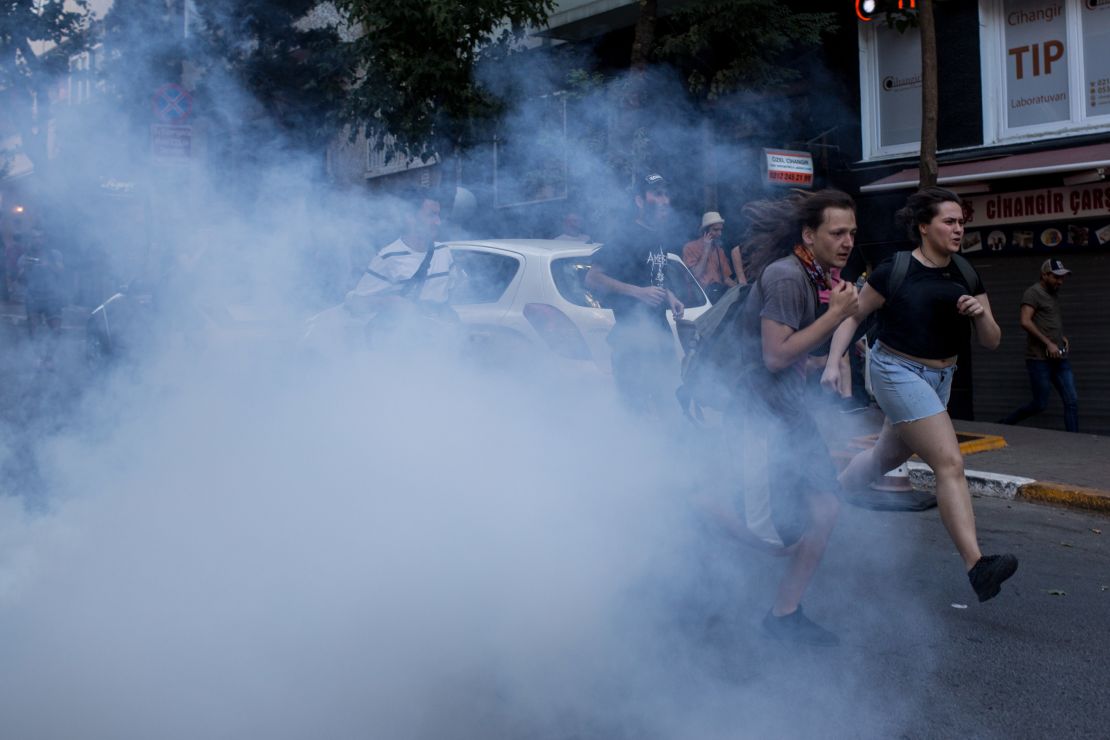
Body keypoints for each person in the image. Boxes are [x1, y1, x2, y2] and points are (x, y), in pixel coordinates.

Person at [822, 186, 1017, 603]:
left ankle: (826, 498)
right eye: (950, 221)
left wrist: (981, 315)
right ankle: (976, 565)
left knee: (883, 458)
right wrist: (834, 359)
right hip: (895, 369)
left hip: (941, 379)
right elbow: (852, 316)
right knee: (949, 461)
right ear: (924, 226)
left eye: (962, 222)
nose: (958, 228)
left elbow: (993, 341)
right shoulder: (896, 269)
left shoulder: (964, 270)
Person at [730, 189, 860, 646]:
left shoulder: (816, 275)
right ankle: (685, 508)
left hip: (788, 412)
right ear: (810, 234)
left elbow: (794, 352)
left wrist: (831, 351)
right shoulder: (787, 276)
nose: (847, 242)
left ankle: (783, 615)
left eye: (851, 233)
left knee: (824, 508)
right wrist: (835, 318)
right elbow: (774, 355)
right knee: (774, 538)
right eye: (837, 232)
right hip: (758, 414)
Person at [585, 173, 684, 417]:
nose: (664, 200)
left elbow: (651, 276)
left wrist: (670, 295)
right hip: (632, 342)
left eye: (666, 194)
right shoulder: (626, 235)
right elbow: (592, 278)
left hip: (658, 338)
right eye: (657, 194)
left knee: (666, 405)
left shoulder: (658, 236)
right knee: (635, 412)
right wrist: (638, 293)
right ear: (640, 201)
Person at [999, 259, 1078, 432]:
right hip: (1039, 359)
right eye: (1057, 277)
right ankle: (1005, 423)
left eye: (1062, 277)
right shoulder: (1033, 293)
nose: (1060, 281)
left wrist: (1059, 337)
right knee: (1040, 404)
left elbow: (1047, 321)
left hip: (1059, 357)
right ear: (1044, 275)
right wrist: (1049, 343)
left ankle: (1075, 440)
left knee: (1071, 401)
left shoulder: (1053, 293)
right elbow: (1025, 321)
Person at [16, 228, 65, 368]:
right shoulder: (24, 257)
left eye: (40, 237)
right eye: (34, 238)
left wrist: (48, 265)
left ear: (45, 239)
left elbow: (62, 272)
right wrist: (25, 268)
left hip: (52, 296)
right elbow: (19, 279)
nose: (37, 241)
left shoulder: (54, 255)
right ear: (30, 240)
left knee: (56, 330)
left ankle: (49, 358)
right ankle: (38, 357)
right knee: (34, 329)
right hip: (33, 297)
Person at [682, 211, 737, 302]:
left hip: (717, 296)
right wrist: (706, 250)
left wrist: (740, 288)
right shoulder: (690, 248)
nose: (719, 234)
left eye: (720, 230)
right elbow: (695, 274)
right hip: (699, 299)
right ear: (705, 231)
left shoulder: (719, 250)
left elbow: (725, 278)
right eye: (715, 230)